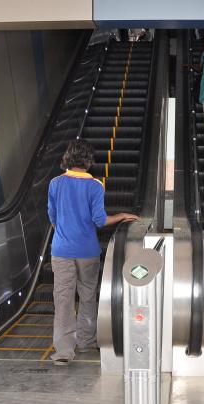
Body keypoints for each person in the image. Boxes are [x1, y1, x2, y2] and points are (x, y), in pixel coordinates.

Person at [47, 139, 138, 366]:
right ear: (88, 160)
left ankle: (63, 352)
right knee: (87, 295)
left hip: (61, 251)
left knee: (63, 299)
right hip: (87, 251)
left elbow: (52, 217)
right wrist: (122, 215)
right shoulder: (95, 185)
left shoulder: (55, 183)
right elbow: (99, 220)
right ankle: (86, 341)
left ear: (68, 157)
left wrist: (65, 233)